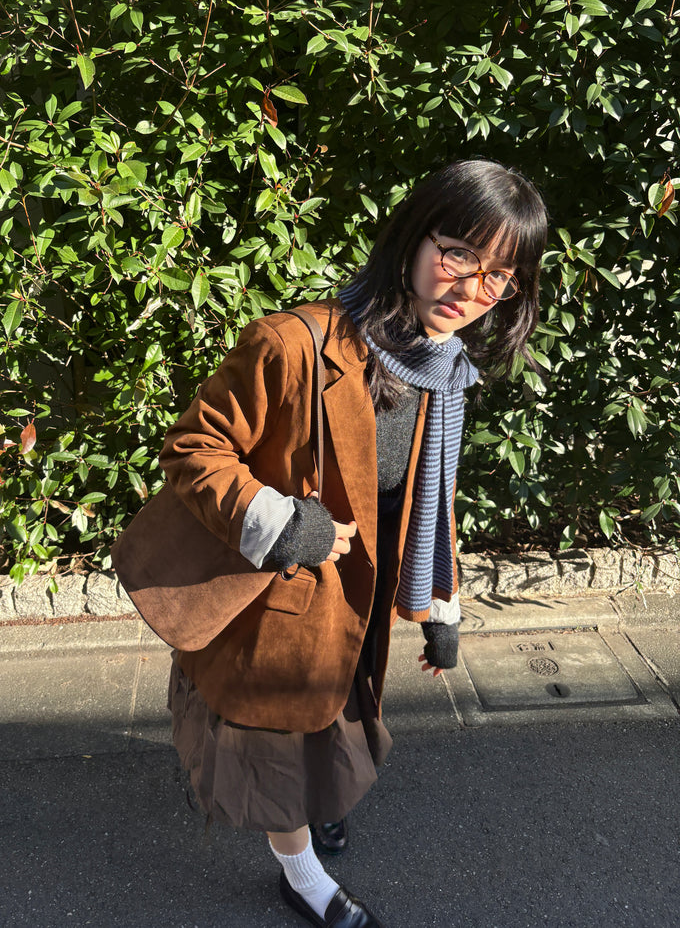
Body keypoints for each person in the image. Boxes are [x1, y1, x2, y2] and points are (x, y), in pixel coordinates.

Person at [159, 159, 549, 928]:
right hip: (286, 593)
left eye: (499, 275)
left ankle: (322, 796)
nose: (472, 287)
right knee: (276, 745)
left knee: (335, 716)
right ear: (413, 236)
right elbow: (192, 450)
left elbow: (430, 494)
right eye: (458, 253)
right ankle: (302, 877)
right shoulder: (294, 344)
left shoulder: (443, 368)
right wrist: (280, 520)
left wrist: (441, 606)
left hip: (362, 596)